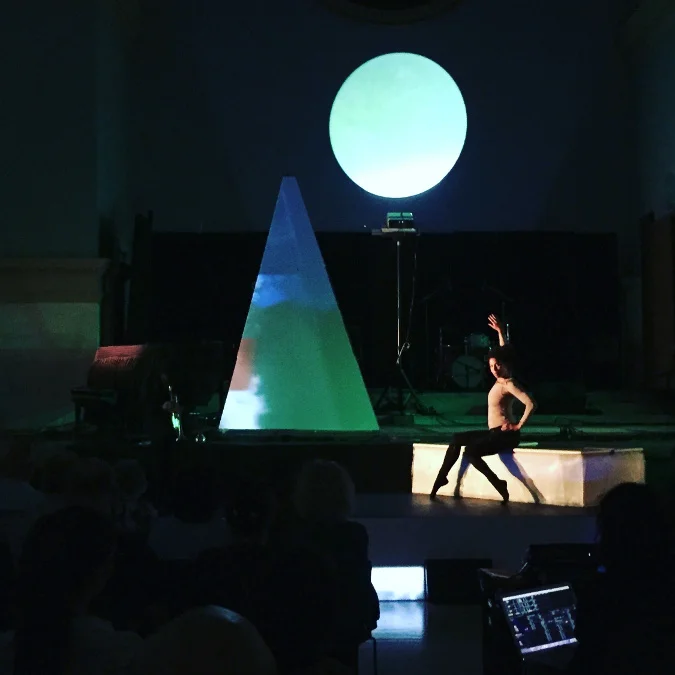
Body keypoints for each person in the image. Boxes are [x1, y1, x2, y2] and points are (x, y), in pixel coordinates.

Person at [430, 314, 537, 501]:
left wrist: (518, 425)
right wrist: (500, 332)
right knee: (456, 439)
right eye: (491, 366)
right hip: (494, 433)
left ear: (504, 365)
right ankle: (441, 478)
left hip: (505, 435)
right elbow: (504, 351)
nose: (494, 369)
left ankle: (499, 484)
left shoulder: (509, 383)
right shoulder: (500, 379)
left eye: (497, 365)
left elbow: (531, 403)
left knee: (470, 452)